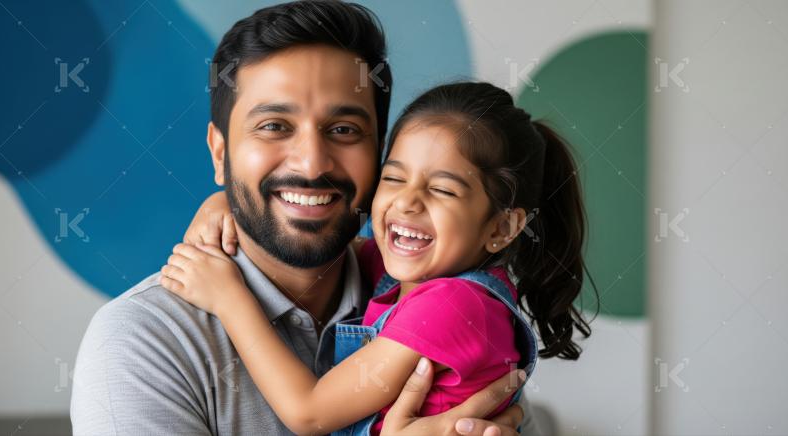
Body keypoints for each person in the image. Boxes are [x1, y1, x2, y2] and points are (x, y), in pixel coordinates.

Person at [71, 2, 531, 435]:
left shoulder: (414, 281)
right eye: (274, 126)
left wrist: (241, 198)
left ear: (379, 155)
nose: (312, 165)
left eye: (344, 130)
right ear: (221, 153)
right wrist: (228, 200)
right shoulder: (142, 343)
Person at [161, 82, 593, 435]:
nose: (407, 202)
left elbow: (308, 413)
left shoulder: (454, 305)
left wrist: (229, 298)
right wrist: (230, 205)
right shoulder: (403, 271)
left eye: (442, 190)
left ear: (501, 228)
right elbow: (309, 237)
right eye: (394, 178)